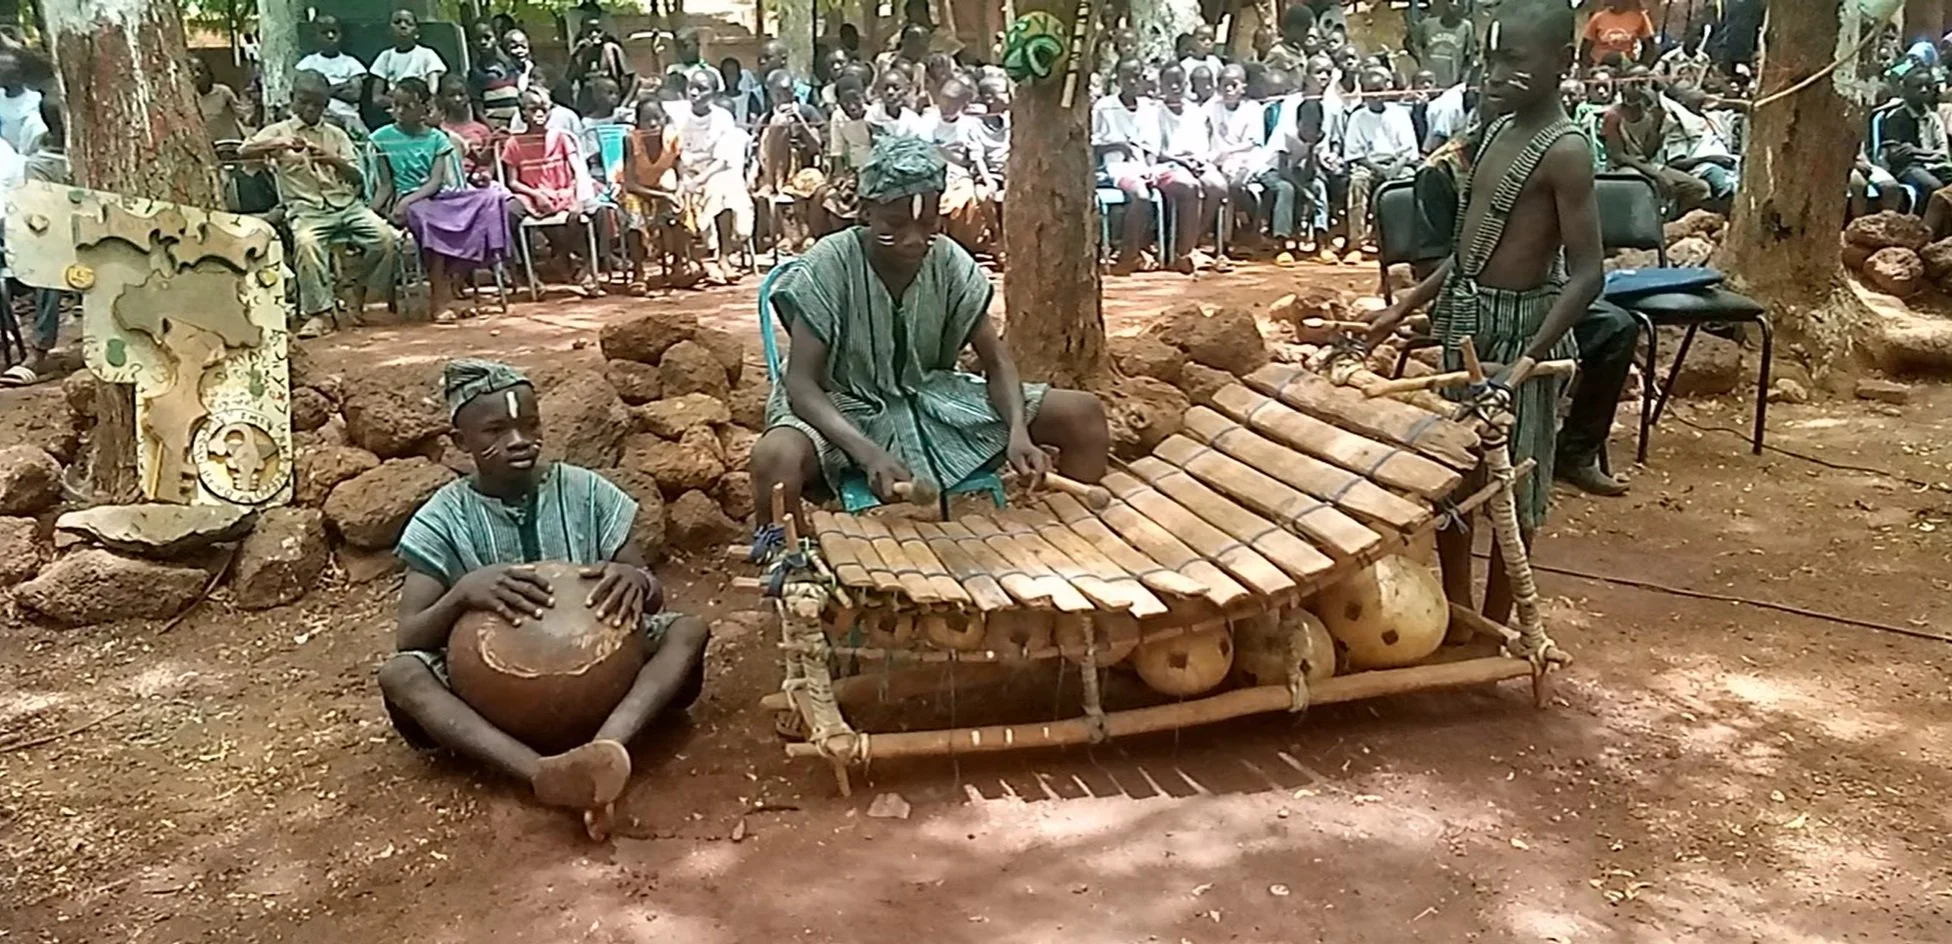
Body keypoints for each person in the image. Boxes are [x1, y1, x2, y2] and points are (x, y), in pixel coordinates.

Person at [381, 358, 710, 839]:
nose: (519, 440)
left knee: (689, 629)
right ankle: (542, 773)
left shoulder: (589, 492)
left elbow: (653, 594)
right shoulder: (442, 518)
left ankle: (606, 748)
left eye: (529, 424)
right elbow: (408, 636)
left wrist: (637, 581)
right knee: (401, 674)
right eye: (495, 429)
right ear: (459, 443)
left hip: (603, 685)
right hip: (492, 699)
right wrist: (462, 594)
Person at [1365, 0, 1603, 626]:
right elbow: (1467, 253)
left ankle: (1501, 623)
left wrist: (1526, 363)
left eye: (1514, 61)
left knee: (1511, 487)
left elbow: (1588, 276)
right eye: (1490, 58)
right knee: (1455, 481)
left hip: (1520, 332)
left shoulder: (1566, 150)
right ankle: (1455, 614)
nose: (1495, 74)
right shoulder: (1495, 132)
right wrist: (1406, 309)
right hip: (1467, 324)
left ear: (1562, 63)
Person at [747, 135, 1110, 539]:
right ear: (866, 213)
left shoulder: (950, 261)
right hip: (841, 407)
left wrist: (1017, 432)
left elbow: (997, 361)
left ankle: (1076, 543)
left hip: (930, 400)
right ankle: (793, 568)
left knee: (1083, 415)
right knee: (774, 458)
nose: (914, 239)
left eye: (928, 222)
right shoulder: (828, 264)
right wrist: (867, 453)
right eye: (895, 224)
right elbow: (800, 384)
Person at [240, 70, 398, 340]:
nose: (310, 109)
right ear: (292, 100)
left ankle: (356, 289)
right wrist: (277, 145)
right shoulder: (278, 131)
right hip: (306, 209)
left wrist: (330, 159)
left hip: (346, 205)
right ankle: (319, 314)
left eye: (318, 104)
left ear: (326, 105)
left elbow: (357, 177)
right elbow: (243, 151)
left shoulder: (336, 135)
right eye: (304, 102)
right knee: (306, 242)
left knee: (386, 239)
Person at [371, 78, 511, 324]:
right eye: (396, 105)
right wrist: (374, 211)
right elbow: (385, 185)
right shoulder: (382, 138)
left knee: (492, 199)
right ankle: (439, 299)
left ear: (425, 107)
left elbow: (436, 182)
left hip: (438, 196)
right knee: (429, 223)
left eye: (408, 106)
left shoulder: (438, 139)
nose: (400, 112)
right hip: (412, 202)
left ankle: (452, 280)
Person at [501, 87, 603, 297]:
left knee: (600, 212)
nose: (539, 114)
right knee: (508, 213)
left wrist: (576, 198)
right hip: (531, 194)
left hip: (564, 191)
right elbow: (513, 181)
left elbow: (578, 172)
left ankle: (589, 268)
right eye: (533, 109)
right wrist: (535, 194)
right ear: (522, 113)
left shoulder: (562, 138)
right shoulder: (514, 143)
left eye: (544, 109)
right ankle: (526, 272)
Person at [1603, 65, 1736, 215]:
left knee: (1698, 188)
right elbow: (1618, 155)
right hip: (1624, 168)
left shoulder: (1651, 113)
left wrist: (1657, 121)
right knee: (1644, 184)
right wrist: (1655, 174)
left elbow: (1648, 152)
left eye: (1644, 83)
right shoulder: (1614, 115)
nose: (1640, 89)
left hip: (1647, 164)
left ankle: (1672, 222)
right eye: (1634, 83)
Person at [0, 96, 68, 387]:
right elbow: (42, 209)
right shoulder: (41, 161)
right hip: (60, 234)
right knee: (49, 271)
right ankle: (40, 350)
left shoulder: (92, 149)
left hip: (100, 229)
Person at [674, 69, 754, 284]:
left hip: (713, 170)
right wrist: (684, 179)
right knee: (673, 191)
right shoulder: (677, 114)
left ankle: (724, 257)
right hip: (683, 171)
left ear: (713, 94)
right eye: (692, 87)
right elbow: (673, 153)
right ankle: (688, 261)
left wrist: (697, 181)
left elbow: (722, 159)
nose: (694, 93)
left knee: (725, 188)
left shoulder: (722, 117)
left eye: (702, 89)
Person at [1093, 58, 1170, 273]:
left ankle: (1155, 248)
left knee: (1178, 187)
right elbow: (1090, 142)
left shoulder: (1148, 107)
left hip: (1144, 166)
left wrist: (1151, 168)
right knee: (1141, 195)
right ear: (1118, 79)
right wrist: (1116, 145)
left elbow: (1153, 146)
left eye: (1137, 76)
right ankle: (1129, 252)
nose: (1133, 81)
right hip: (1116, 167)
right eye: (1127, 77)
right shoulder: (1104, 106)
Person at [1209, 63, 1294, 260]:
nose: (1229, 89)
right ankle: (1233, 237)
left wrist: (1230, 154)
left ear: (1243, 87)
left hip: (1250, 160)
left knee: (1267, 186)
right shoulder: (1212, 108)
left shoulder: (1253, 109)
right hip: (1219, 161)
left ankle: (1263, 235)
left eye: (1234, 85)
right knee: (1226, 186)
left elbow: (1253, 144)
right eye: (1224, 84)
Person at [1156, 63, 1229, 270]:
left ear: (1186, 84)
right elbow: (1156, 151)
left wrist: (1199, 160)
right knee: (1190, 186)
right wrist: (1183, 161)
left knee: (1217, 186)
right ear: (1161, 85)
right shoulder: (1155, 112)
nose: (1175, 87)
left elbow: (1203, 145)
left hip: (1196, 161)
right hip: (1169, 163)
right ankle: (1182, 252)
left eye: (1179, 82)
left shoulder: (1194, 111)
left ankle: (1194, 241)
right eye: (1169, 83)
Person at [1341, 66, 1420, 254]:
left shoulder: (1399, 113)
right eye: (1370, 91)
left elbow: (1408, 151)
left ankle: (1402, 240)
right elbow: (1355, 154)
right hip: (1369, 164)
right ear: (1363, 93)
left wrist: (1394, 168)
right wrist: (1379, 170)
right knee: (1358, 182)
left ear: (1387, 90)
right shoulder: (1358, 117)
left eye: (1379, 90)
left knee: (1408, 182)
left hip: (1398, 163)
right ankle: (1357, 241)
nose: (1375, 96)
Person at [620, 97, 685, 292]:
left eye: (657, 118)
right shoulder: (631, 140)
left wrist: (679, 193)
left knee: (682, 207)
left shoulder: (672, 138)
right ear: (638, 123)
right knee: (633, 213)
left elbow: (681, 174)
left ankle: (678, 265)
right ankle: (638, 272)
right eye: (647, 119)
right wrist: (664, 196)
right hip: (638, 191)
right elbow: (629, 183)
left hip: (664, 190)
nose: (654, 124)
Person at [1871, 69, 1952, 201]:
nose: (1924, 90)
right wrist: (1930, 154)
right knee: (1933, 187)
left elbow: (1943, 153)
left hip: (1937, 166)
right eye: (1918, 87)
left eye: (1928, 87)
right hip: (1908, 168)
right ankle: (1924, 220)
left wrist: (1914, 151)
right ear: (1905, 90)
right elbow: (1895, 155)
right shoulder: (1896, 118)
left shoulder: (1933, 118)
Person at [812, 73, 873, 237]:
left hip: (874, 169)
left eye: (856, 100)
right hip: (854, 170)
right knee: (832, 200)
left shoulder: (873, 115)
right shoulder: (838, 117)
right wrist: (839, 176)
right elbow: (837, 149)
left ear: (864, 96)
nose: (852, 107)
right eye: (846, 103)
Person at [296, 15, 370, 137]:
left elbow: (354, 94)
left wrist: (323, 91)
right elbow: (304, 93)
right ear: (315, 36)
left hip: (347, 114)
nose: (330, 36)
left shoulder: (351, 63)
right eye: (325, 32)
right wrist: (341, 87)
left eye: (334, 32)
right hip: (318, 113)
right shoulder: (307, 63)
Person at [370, 8, 449, 111]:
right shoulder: (385, 56)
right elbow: (376, 98)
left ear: (416, 31)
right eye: (397, 22)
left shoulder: (427, 54)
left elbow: (432, 92)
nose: (403, 26)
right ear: (389, 30)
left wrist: (410, 101)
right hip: (393, 108)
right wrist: (399, 101)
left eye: (409, 23)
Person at [438, 74, 496, 187]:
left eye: (461, 94)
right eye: (451, 95)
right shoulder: (439, 130)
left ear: (468, 96)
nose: (457, 99)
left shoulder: (482, 130)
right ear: (442, 98)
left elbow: (490, 161)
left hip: (478, 182)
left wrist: (487, 174)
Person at [466, 18, 523, 131]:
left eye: (487, 37)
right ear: (472, 43)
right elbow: (479, 110)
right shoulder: (476, 74)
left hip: (519, 126)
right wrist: (494, 129)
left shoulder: (513, 67)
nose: (483, 42)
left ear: (496, 38)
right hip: (496, 129)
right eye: (478, 39)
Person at [1409, 0, 1476, 88]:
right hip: (1428, 81)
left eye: (1459, 2)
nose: (1454, 4)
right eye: (1451, 1)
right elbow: (1410, 43)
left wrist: (1463, 80)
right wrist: (1420, 61)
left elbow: (1470, 57)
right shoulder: (1427, 24)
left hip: (1452, 81)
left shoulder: (1466, 27)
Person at [190, 56, 249, 144]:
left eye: (201, 71)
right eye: (192, 72)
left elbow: (242, 114)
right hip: (208, 145)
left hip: (230, 142)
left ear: (209, 73)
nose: (197, 75)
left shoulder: (223, 92)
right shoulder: (188, 98)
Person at [1580, 0, 1656, 68]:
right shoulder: (1598, 17)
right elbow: (1585, 47)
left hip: (1626, 66)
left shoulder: (1639, 17)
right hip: (1601, 66)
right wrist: (1589, 66)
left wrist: (1641, 65)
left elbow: (1649, 47)